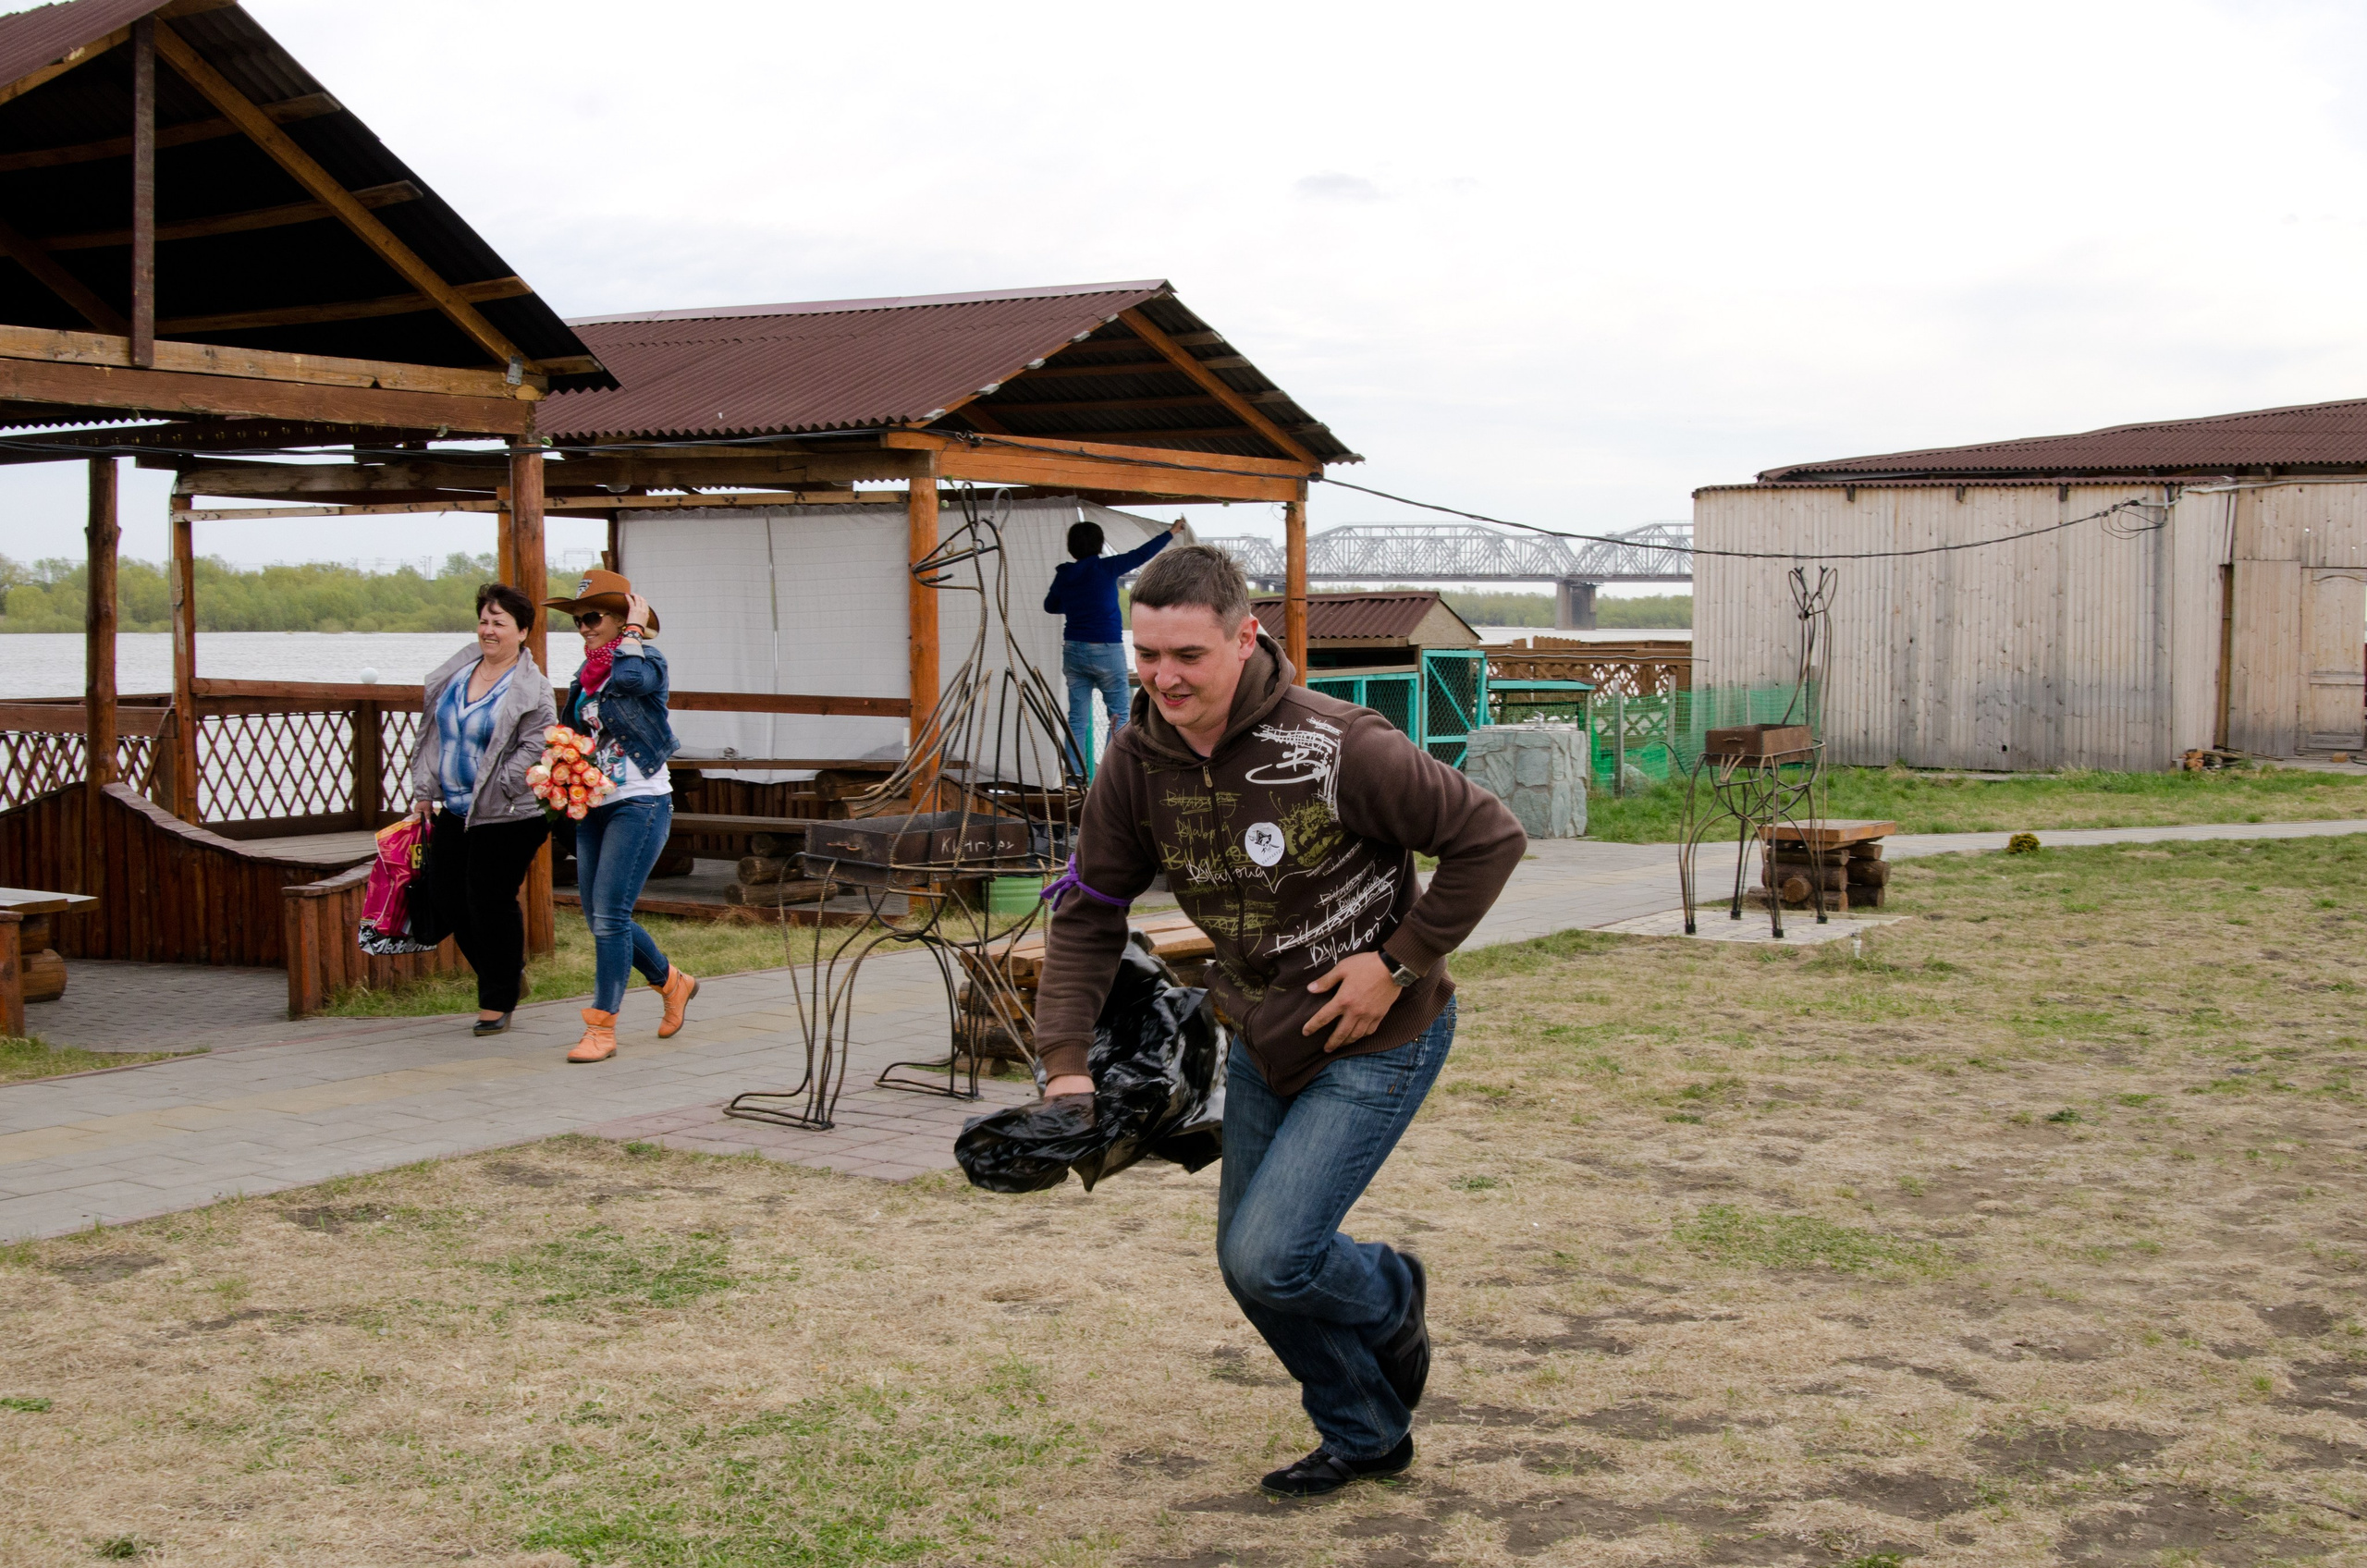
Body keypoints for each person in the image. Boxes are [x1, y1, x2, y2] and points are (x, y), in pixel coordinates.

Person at [1032, 545, 1526, 1499]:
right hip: (1263, 1033)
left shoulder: (1341, 742)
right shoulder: (1134, 764)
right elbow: (1088, 913)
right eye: (1146, 654)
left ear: (1243, 637)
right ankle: (1366, 1430)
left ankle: (1388, 1294)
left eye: (1187, 655)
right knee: (1254, 1267)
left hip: (1382, 1031)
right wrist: (1065, 1066)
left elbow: (1488, 837)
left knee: (1271, 1253)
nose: (1163, 677)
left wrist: (1398, 960)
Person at [542, 569, 698, 1064]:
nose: (584, 627)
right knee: (598, 916)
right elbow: (576, 735)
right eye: (579, 621)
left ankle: (601, 1029)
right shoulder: (584, 675)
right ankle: (673, 982)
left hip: (641, 801)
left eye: (593, 617)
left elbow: (629, 682)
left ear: (620, 618)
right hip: (594, 804)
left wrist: (634, 630)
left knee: (610, 916)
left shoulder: (646, 661)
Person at [411, 584, 558, 1036]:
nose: (488, 631)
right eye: (484, 621)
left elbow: (540, 742)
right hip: (456, 809)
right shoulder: (458, 674)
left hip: (510, 813)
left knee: (488, 900)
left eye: (499, 623)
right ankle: (507, 974)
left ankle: (497, 1000)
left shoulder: (533, 687)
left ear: (523, 632)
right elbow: (433, 735)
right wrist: (424, 790)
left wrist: (504, 782)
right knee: (446, 897)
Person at [1044, 517, 1183, 768]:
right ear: (1099, 544)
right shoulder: (1106, 568)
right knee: (1119, 713)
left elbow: (1050, 606)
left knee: (1077, 717)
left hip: (1074, 649)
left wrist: (1076, 603)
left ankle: (1074, 775)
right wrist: (1171, 532)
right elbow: (1142, 554)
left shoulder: (1065, 574)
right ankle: (1110, 771)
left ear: (1071, 546)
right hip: (1106, 648)